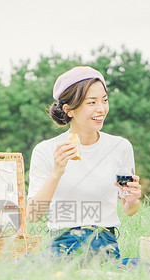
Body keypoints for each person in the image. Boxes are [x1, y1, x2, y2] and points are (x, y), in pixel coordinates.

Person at [27, 66, 142, 265]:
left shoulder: (120, 147)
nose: (101, 109)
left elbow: (129, 209)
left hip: (104, 243)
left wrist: (131, 200)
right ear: (69, 110)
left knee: (143, 269)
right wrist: (57, 172)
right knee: (27, 267)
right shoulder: (46, 150)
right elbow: (33, 215)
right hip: (61, 244)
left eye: (104, 100)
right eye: (91, 102)